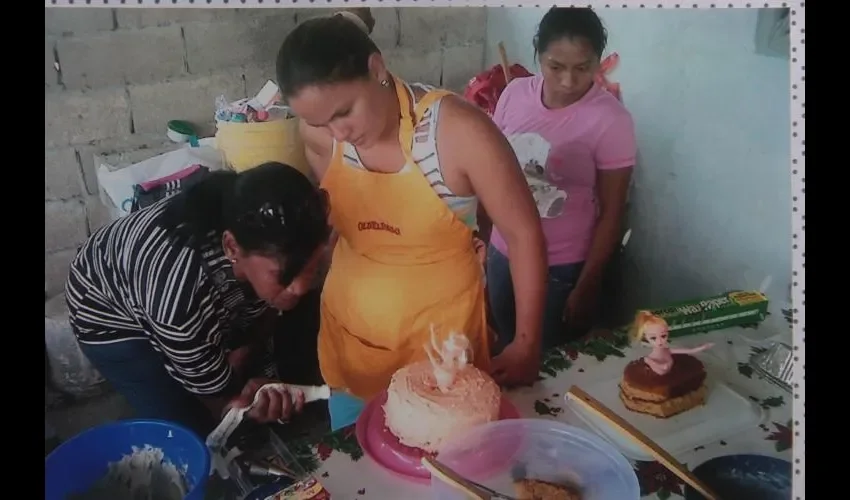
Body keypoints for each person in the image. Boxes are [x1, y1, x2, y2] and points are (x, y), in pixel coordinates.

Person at [275, 15, 548, 429]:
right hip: (353, 346)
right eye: (320, 122)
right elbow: (336, 226)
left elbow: (523, 233)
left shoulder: (457, 133)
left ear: (376, 68)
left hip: (442, 353)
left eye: (345, 111)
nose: (339, 132)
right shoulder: (322, 136)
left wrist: (526, 341)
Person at [65, 162, 332, 435]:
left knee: (245, 365)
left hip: (185, 291)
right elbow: (220, 405)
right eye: (285, 277)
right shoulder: (178, 301)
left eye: (310, 268)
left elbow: (262, 312)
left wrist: (248, 348)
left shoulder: (265, 233)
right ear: (231, 247)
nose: (300, 287)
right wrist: (235, 404)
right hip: (106, 311)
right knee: (185, 427)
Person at [487, 7, 637, 351]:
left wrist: (587, 283)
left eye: (582, 68)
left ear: (598, 62)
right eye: (556, 67)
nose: (568, 81)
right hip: (502, 253)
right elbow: (492, 175)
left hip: (560, 267)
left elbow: (613, 211)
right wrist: (485, 242)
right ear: (538, 56)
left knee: (545, 364)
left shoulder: (611, 120)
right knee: (506, 346)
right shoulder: (514, 95)